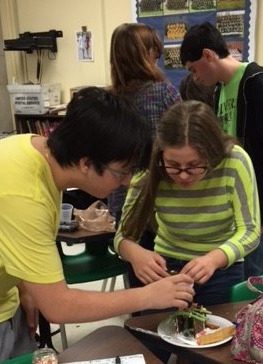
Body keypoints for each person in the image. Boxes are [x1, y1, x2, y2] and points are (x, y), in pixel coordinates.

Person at [0, 87, 194, 363]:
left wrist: (26, 286)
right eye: (122, 172)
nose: (127, 181)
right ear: (85, 163)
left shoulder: (35, 151)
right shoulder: (23, 194)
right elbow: (59, 306)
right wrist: (147, 296)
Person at [180, 22, 263, 278]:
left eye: (193, 69)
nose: (195, 77)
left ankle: (256, 317)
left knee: (251, 273)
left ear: (208, 55)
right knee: (239, 268)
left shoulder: (256, 82)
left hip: (259, 204)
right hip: (238, 199)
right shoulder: (221, 89)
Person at [114, 100, 260, 307]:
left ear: (212, 154)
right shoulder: (151, 167)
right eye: (173, 165)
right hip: (166, 268)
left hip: (220, 268)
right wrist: (135, 254)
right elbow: (122, 235)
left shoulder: (234, 161)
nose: (183, 176)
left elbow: (250, 231)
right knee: (159, 335)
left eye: (194, 165)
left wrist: (213, 259)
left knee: (217, 335)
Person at [108, 23, 181, 287]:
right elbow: (183, 140)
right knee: (166, 277)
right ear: (143, 54)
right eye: (153, 51)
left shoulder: (109, 100)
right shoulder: (164, 93)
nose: (158, 57)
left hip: (122, 200)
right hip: (162, 201)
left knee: (137, 275)